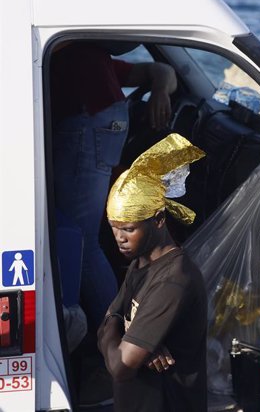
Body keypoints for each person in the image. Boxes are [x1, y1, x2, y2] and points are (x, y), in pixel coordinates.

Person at [51, 41, 177, 334]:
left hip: (86, 124)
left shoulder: (73, 57)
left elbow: (164, 72)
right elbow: (162, 69)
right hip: (103, 125)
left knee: (80, 243)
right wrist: (159, 87)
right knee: (83, 241)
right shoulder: (93, 58)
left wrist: (160, 91)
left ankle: (122, 337)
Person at [97, 133, 207, 412]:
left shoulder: (173, 280)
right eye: (114, 227)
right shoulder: (141, 262)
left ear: (159, 220)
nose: (119, 237)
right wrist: (127, 333)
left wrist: (118, 327)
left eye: (129, 229)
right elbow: (110, 319)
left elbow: (121, 366)